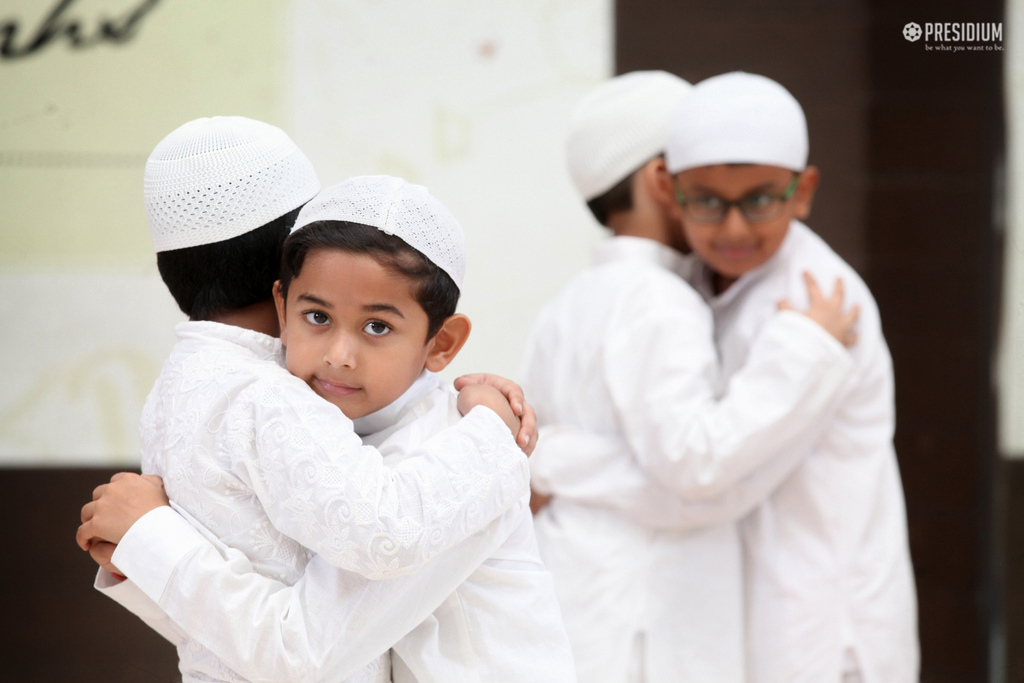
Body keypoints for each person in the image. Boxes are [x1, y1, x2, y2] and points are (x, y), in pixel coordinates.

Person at [77, 117, 540, 682]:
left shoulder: (180, 392)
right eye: (318, 315)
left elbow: (292, 639)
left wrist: (149, 548)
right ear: (287, 269)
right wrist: (145, 553)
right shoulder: (276, 401)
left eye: (376, 326)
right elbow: (287, 640)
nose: (340, 354)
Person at [520, 70, 861, 682]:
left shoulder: (568, 302)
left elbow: (541, 457)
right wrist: (804, 353)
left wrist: (555, 462)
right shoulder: (659, 301)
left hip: (584, 599)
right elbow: (694, 464)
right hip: (645, 624)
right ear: (664, 179)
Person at [660, 71, 919, 682]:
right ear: (670, 193)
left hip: (823, 622)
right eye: (707, 201)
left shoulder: (821, 304)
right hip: (751, 602)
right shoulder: (695, 281)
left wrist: (559, 472)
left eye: (759, 199)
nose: (733, 229)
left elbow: (712, 469)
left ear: (802, 193)